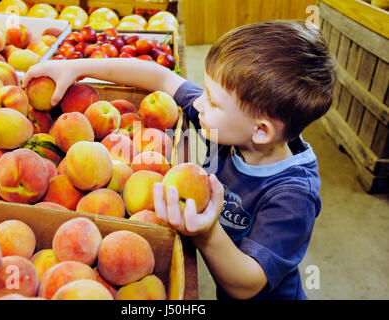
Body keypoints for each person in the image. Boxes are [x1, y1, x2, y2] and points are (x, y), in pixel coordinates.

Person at [23, 20, 336, 300]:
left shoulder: (292, 195)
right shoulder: (231, 126)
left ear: (261, 131)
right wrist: (78, 67)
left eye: (212, 100)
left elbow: (246, 284)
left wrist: (206, 232)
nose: (198, 103)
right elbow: (161, 77)